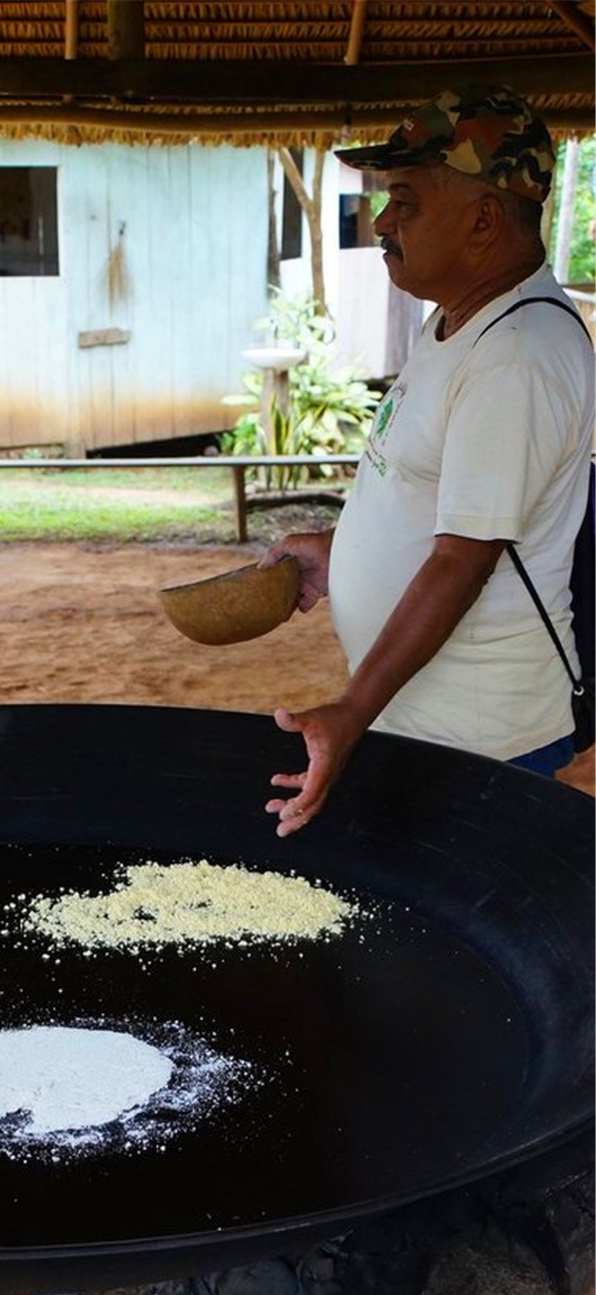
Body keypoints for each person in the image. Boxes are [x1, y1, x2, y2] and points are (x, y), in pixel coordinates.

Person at [257, 85, 595, 837]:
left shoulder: (517, 358)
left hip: (483, 744)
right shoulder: (462, 321)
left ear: (484, 220)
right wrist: (346, 551)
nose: (382, 222)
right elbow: (439, 502)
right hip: (430, 726)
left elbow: (462, 560)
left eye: (404, 201)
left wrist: (350, 711)